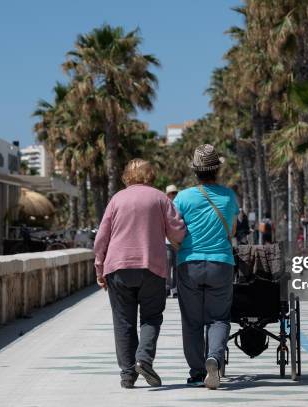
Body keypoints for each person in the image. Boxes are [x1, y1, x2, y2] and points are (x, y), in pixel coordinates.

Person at [93, 159, 186, 389]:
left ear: (127, 176)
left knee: (123, 321)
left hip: (118, 267)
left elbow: (101, 238)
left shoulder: (116, 199)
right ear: (150, 175)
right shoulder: (160, 198)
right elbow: (179, 231)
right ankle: (143, 359)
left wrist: (99, 268)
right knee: (151, 317)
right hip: (151, 267)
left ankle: (127, 375)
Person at [173, 144, 239, 390]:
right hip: (221, 263)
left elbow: (175, 230)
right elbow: (231, 230)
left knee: (192, 321)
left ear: (196, 172)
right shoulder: (229, 196)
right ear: (217, 171)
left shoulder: (183, 197)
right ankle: (214, 358)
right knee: (218, 318)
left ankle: (197, 372)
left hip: (189, 263)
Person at [165, 184, 179, 297]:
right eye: (171, 193)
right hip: (166, 242)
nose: (173, 195)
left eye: (175, 193)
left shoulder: (179, 205)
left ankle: (174, 290)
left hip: (177, 242)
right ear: (167, 194)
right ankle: (166, 288)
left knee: (176, 267)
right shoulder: (164, 205)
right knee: (167, 266)